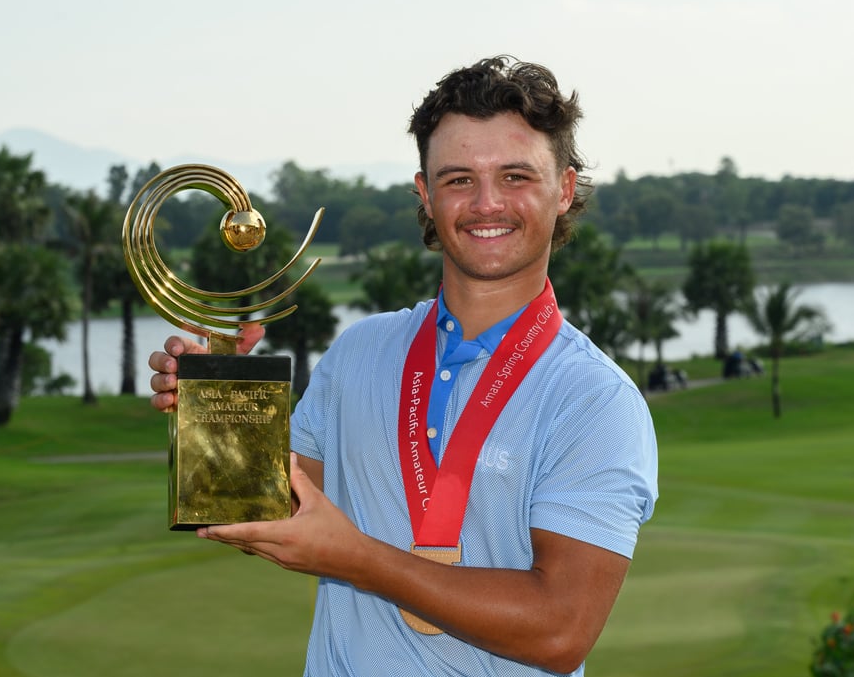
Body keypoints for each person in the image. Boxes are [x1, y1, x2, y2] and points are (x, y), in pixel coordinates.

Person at [149, 56, 658, 676]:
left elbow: (560, 630)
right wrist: (219, 412)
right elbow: (273, 503)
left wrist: (359, 558)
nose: (487, 203)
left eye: (517, 175)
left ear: (566, 189)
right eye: (458, 178)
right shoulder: (360, 352)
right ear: (425, 192)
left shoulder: (595, 400)